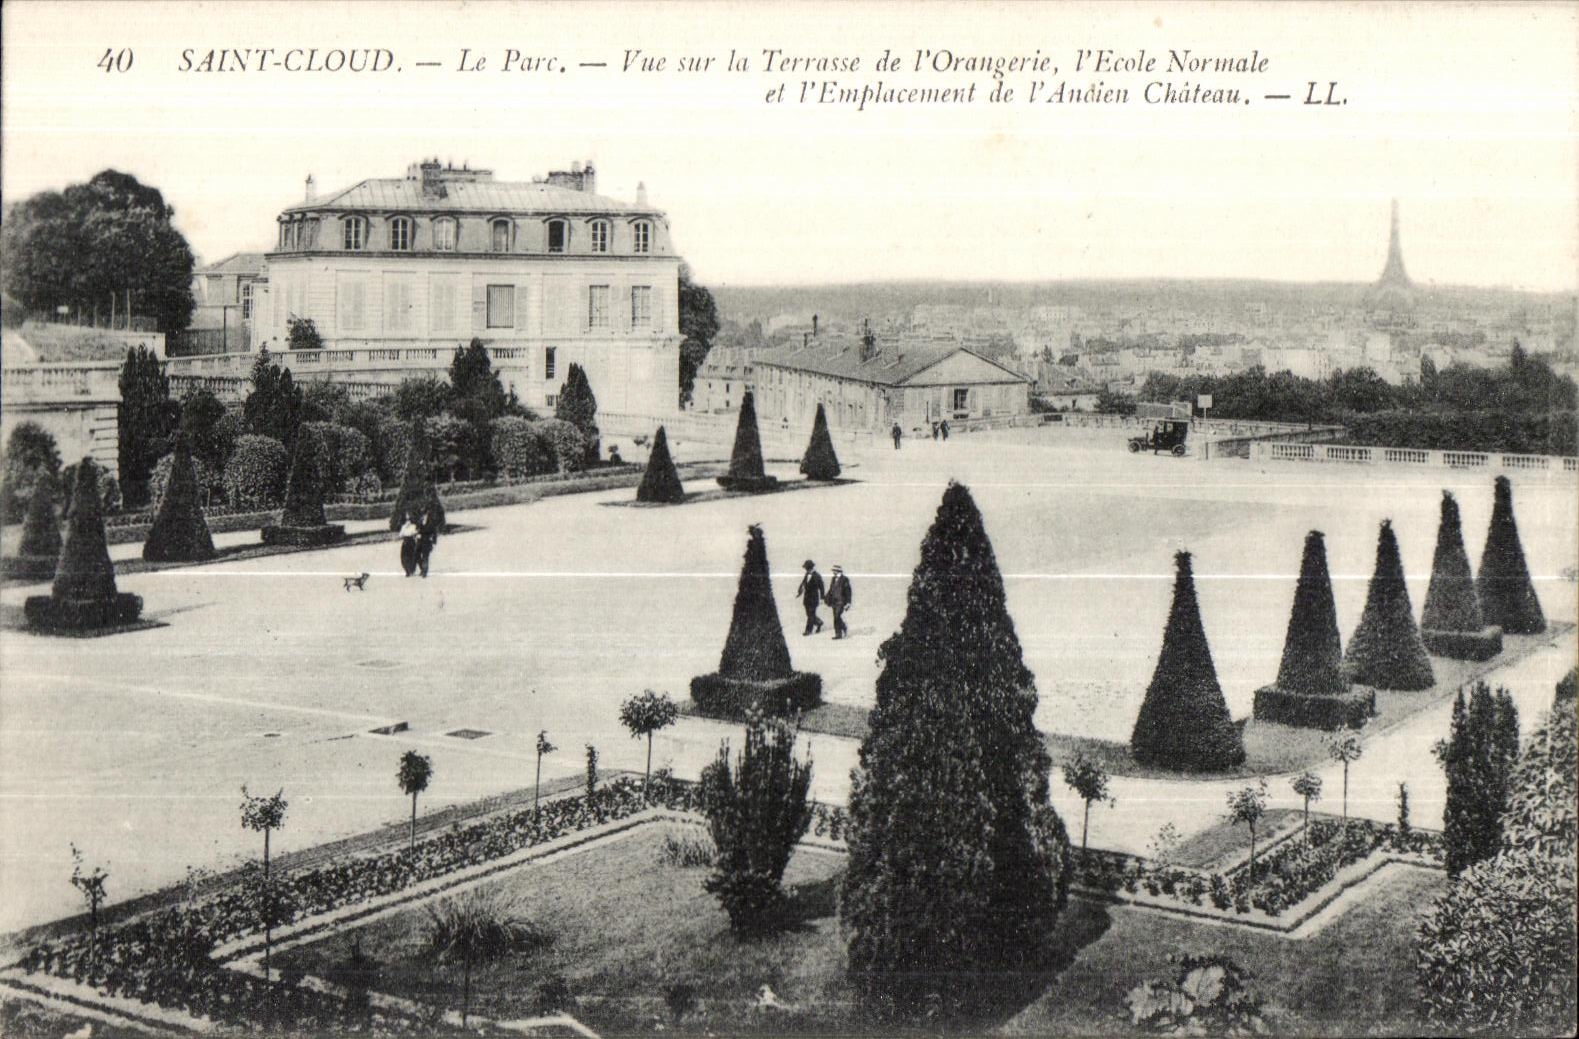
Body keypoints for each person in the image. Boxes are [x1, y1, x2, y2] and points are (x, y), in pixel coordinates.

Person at [796, 559, 825, 635]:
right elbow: (803, 583)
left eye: (806, 567)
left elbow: (821, 587)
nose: (805, 569)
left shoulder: (817, 576)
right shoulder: (807, 574)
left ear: (810, 567)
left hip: (814, 599)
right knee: (809, 614)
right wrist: (799, 591)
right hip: (806, 599)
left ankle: (808, 631)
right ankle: (819, 623)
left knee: (811, 615)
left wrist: (822, 598)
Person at [825, 565, 853, 639]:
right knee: (836, 617)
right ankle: (842, 629)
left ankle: (839, 634)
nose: (833, 572)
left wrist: (848, 602)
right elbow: (831, 590)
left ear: (838, 571)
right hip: (834, 602)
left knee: (837, 617)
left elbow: (848, 591)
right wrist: (826, 598)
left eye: (834, 571)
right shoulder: (833, 579)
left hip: (841, 601)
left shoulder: (845, 579)